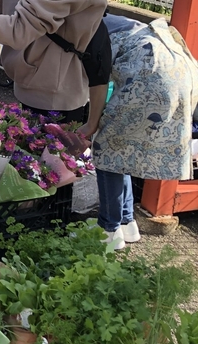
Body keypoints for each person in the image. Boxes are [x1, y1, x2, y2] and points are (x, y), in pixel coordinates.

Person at [79, 14, 198, 249]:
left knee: (108, 149)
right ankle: (126, 222)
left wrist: (92, 124)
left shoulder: (88, 26)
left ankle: (109, 231)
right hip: (181, 75)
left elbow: (99, 82)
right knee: (124, 147)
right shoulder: (117, 21)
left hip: (151, 78)